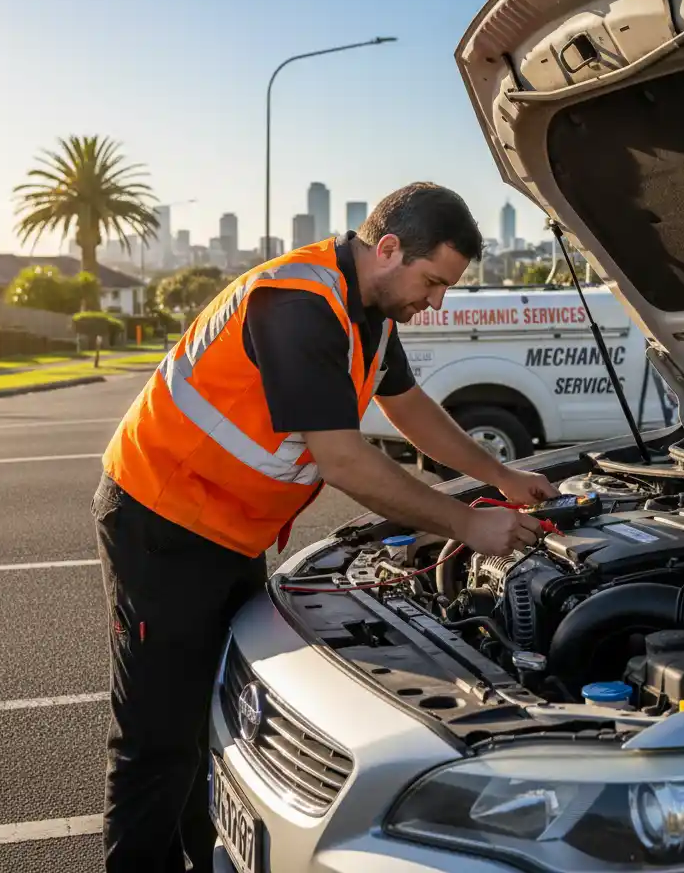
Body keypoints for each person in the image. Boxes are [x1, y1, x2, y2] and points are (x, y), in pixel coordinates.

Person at [91, 181, 558, 872]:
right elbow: (341, 459)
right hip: (163, 522)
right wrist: (468, 524)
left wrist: (499, 477)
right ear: (390, 248)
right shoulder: (299, 303)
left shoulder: (368, 310)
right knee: (157, 740)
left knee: (205, 721)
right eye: (433, 282)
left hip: (226, 530)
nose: (436, 303)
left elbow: (409, 410)